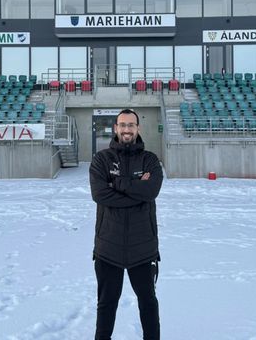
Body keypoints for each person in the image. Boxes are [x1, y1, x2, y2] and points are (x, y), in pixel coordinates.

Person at [89, 109, 163, 340]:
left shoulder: (149, 159)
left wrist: (117, 183)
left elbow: (151, 190)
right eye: (122, 125)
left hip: (143, 247)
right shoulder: (102, 159)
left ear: (138, 128)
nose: (127, 129)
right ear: (115, 128)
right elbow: (100, 195)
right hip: (108, 247)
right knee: (106, 304)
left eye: (131, 125)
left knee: (148, 303)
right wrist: (135, 189)